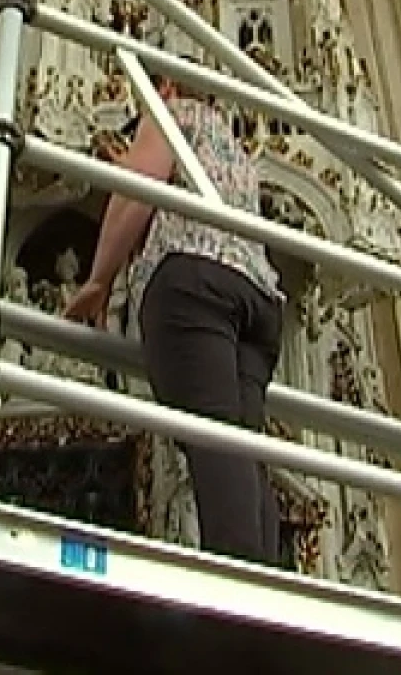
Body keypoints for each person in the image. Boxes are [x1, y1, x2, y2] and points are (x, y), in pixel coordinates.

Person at [64, 74, 287, 568]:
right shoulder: (232, 147)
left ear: (163, 86)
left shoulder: (172, 114)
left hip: (196, 282)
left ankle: (237, 592)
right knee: (245, 452)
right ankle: (267, 583)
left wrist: (99, 279)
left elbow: (136, 188)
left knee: (214, 438)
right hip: (257, 297)